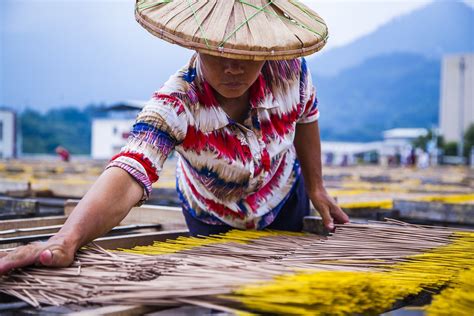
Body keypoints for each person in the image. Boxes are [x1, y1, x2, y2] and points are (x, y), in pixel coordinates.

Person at [0, 0, 348, 274]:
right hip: (211, 215)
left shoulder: (290, 70)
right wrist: (66, 240)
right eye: (218, 51)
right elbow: (130, 170)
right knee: (224, 297)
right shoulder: (176, 104)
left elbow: (306, 116)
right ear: (196, 44)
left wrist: (316, 186)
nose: (232, 66)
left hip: (284, 197)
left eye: (245, 52)